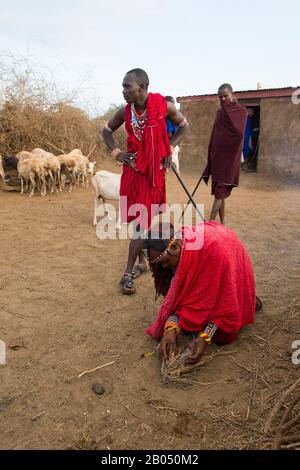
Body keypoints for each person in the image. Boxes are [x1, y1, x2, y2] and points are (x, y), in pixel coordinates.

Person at [102, 69, 189, 295]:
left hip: (154, 173)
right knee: (137, 219)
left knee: (141, 223)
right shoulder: (125, 111)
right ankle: (140, 263)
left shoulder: (163, 106)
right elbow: (106, 131)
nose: (123, 91)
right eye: (122, 86)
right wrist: (117, 152)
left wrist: (169, 146)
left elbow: (184, 125)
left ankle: (128, 272)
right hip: (133, 171)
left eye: (127, 86)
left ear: (142, 87)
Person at [145, 222, 259, 364]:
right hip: (215, 251)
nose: (163, 266)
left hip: (225, 252)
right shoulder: (178, 248)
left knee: (219, 324)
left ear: (175, 247)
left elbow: (223, 309)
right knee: (193, 314)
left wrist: (205, 337)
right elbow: (182, 301)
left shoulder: (213, 257)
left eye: (165, 261)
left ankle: (245, 297)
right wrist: (171, 328)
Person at [202, 84, 247, 225]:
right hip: (218, 159)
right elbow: (216, 136)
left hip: (229, 159)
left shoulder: (240, 111)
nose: (223, 99)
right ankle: (222, 224)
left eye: (225, 96)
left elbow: (239, 134)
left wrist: (228, 146)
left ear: (232, 95)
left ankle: (210, 223)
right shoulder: (220, 113)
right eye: (220, 97)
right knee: (220, 194)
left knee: (220, 192)